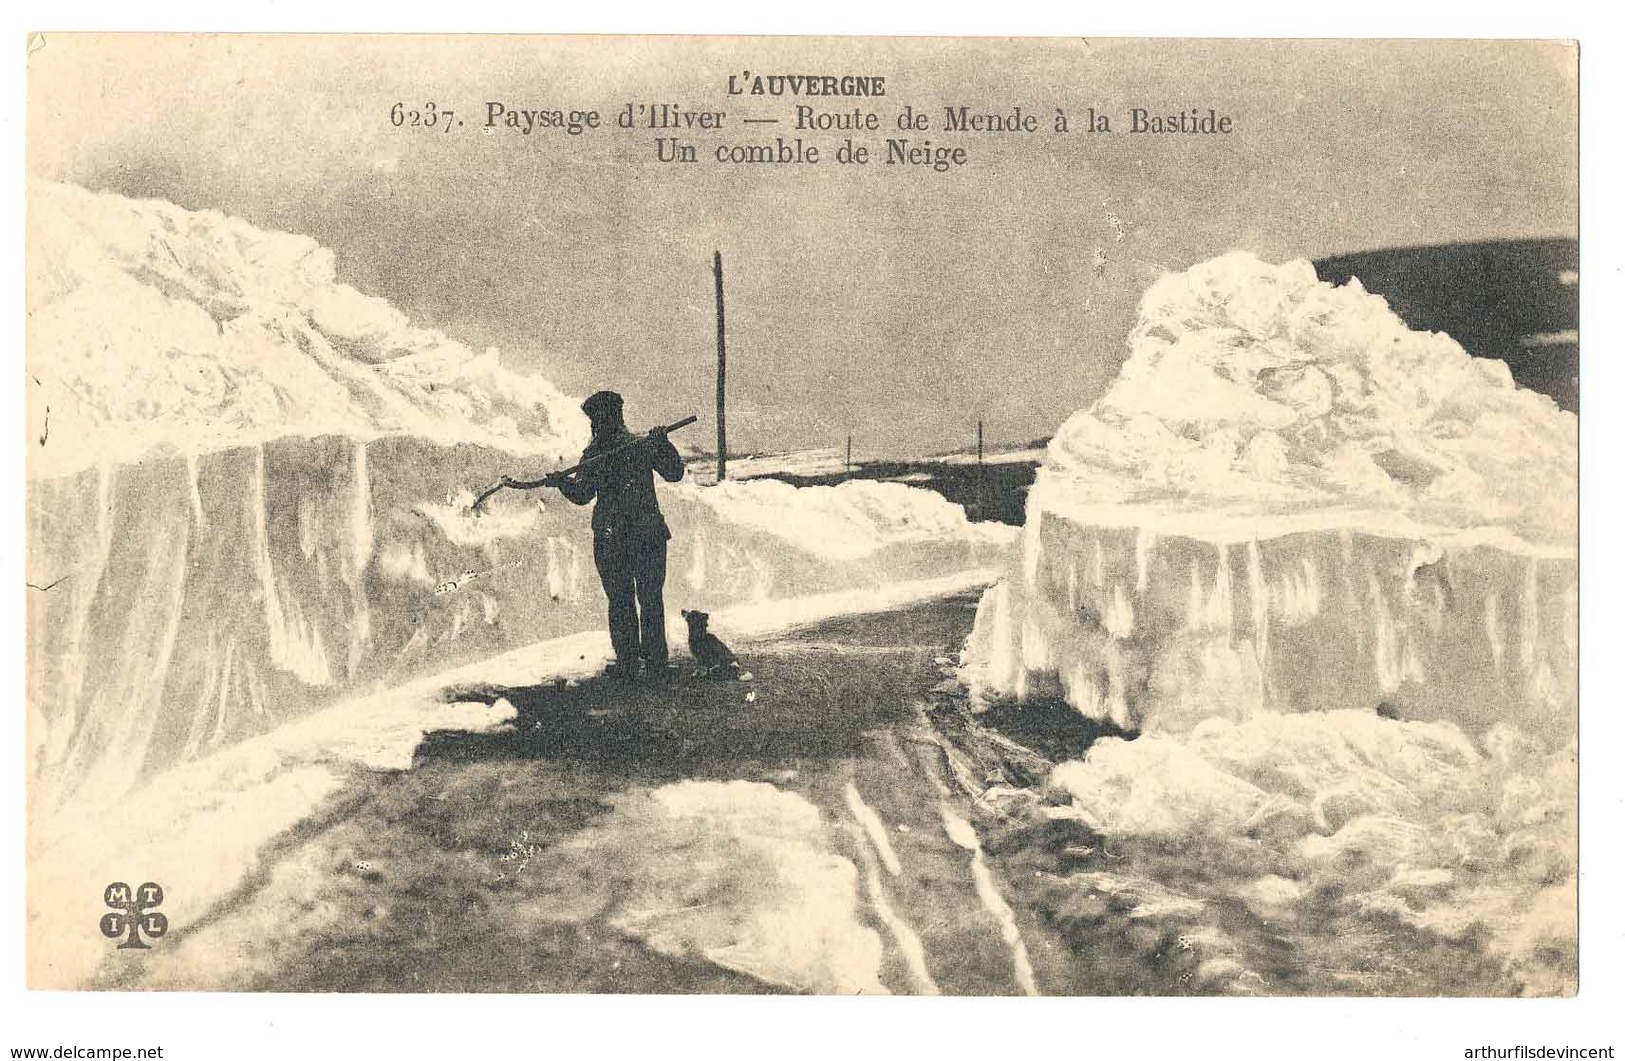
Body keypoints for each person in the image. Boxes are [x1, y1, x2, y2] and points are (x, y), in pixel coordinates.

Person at [503, 390, 685, 680]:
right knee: (645, 600)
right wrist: (562, 482)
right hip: (639, 537)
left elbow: (673, 473)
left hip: (620, 538)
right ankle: (650, 664)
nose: (593, 427)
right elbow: (583, 493)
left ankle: (634, 664)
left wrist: (663, 444)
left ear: (609, 419)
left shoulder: (633, 447)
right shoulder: (622, 449)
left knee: (624, 600)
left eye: (596, 420)